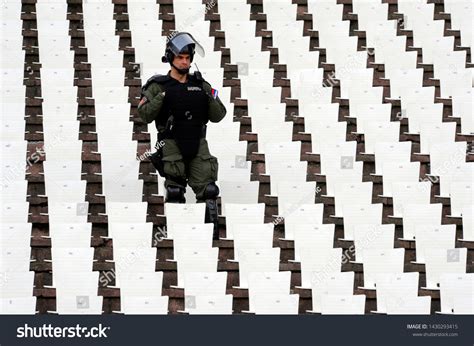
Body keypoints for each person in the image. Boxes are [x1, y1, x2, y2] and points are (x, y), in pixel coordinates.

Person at [138, 32, 226, 239]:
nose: (185, 62)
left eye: (188, 58)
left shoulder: (201, 85)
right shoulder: (157, 86)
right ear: (171, 57)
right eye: (180, 57)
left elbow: (219, 115)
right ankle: (179, 241)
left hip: (198, 143)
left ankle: (210, 241)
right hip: (171, 146)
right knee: (175, 193)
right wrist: (162, 97)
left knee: (209, 191)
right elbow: (144, 115)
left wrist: (207, 95)